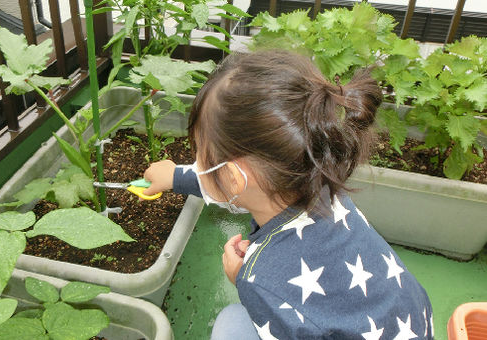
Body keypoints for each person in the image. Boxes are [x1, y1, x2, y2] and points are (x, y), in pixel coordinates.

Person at [142, 50, 433, 339]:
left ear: (233, 178)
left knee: (231, 324)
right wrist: (176, 177)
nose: (198, 164)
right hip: (413, 326)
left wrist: (244, 279)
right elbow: (226, 181)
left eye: (200, 155)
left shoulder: (261, 279)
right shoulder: (321, 184)